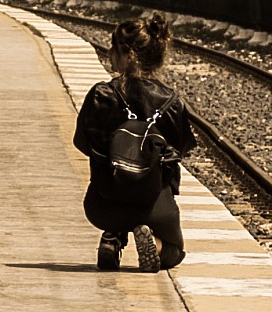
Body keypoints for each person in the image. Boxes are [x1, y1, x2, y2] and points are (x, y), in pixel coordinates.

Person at [74, 15, 195, 272]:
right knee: (175, 252)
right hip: (154, 205)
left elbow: (83, 143)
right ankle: (154, 241)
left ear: (129, 55)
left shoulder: (101, 95)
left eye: (114, 48)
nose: (109, 53)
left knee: (117, 204)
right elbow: (179, 155)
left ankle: (113, 235)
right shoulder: (172, 102)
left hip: (102, 204)